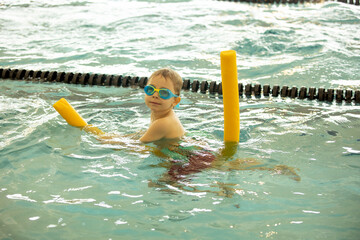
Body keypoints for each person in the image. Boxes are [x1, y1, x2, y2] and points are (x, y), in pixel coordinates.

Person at [139, 68, 185, 143]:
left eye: (164, 93)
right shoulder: (160, 115)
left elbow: (138, 145)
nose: (155, 95)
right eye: (151, 89)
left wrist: (113, 142)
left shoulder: (162, 123)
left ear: (175, 101)